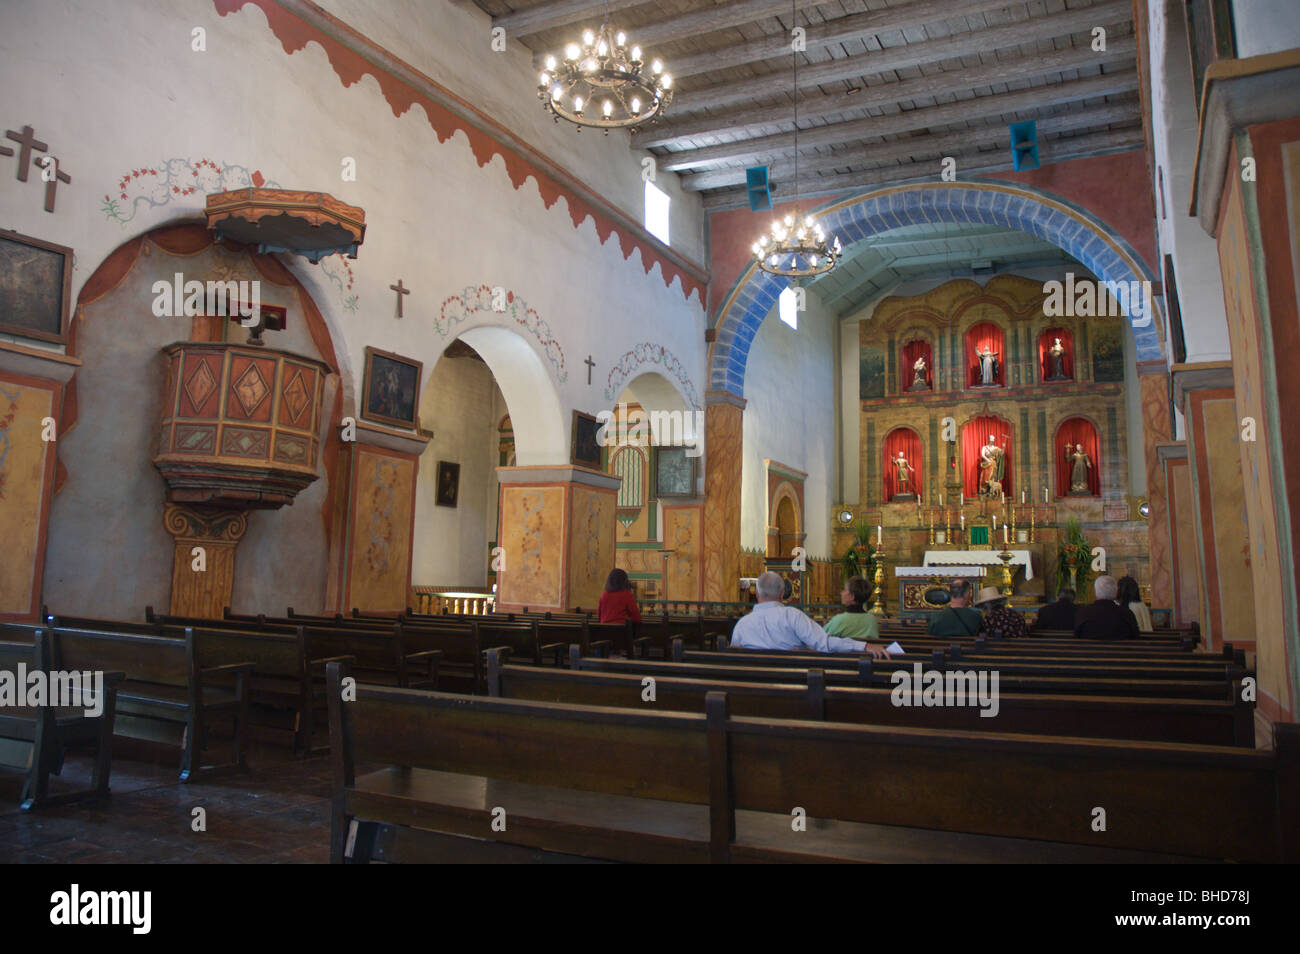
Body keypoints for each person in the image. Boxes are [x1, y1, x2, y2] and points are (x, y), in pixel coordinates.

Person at [732, 571, 889, 658]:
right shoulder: (793, 616)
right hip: (792, 685)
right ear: (782, 594)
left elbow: (734, 656)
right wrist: (865, 646)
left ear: (757, 594)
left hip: (753, 686)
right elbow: (824, 643)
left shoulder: (742, 624)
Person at [1073, 575, 1139, 639]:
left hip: (1089, 650)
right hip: (1121, 650)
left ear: (1095, 592)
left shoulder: (1083, 613)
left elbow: (1076, 636)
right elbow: (1135, 636)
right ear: (1116, 592)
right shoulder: (1127, 614)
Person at [824, 575, 881, 641]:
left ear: (852, 596)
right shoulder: (872, 620)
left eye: (844, 590)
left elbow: (821, 638)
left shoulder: (840, 620)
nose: (841, 593)